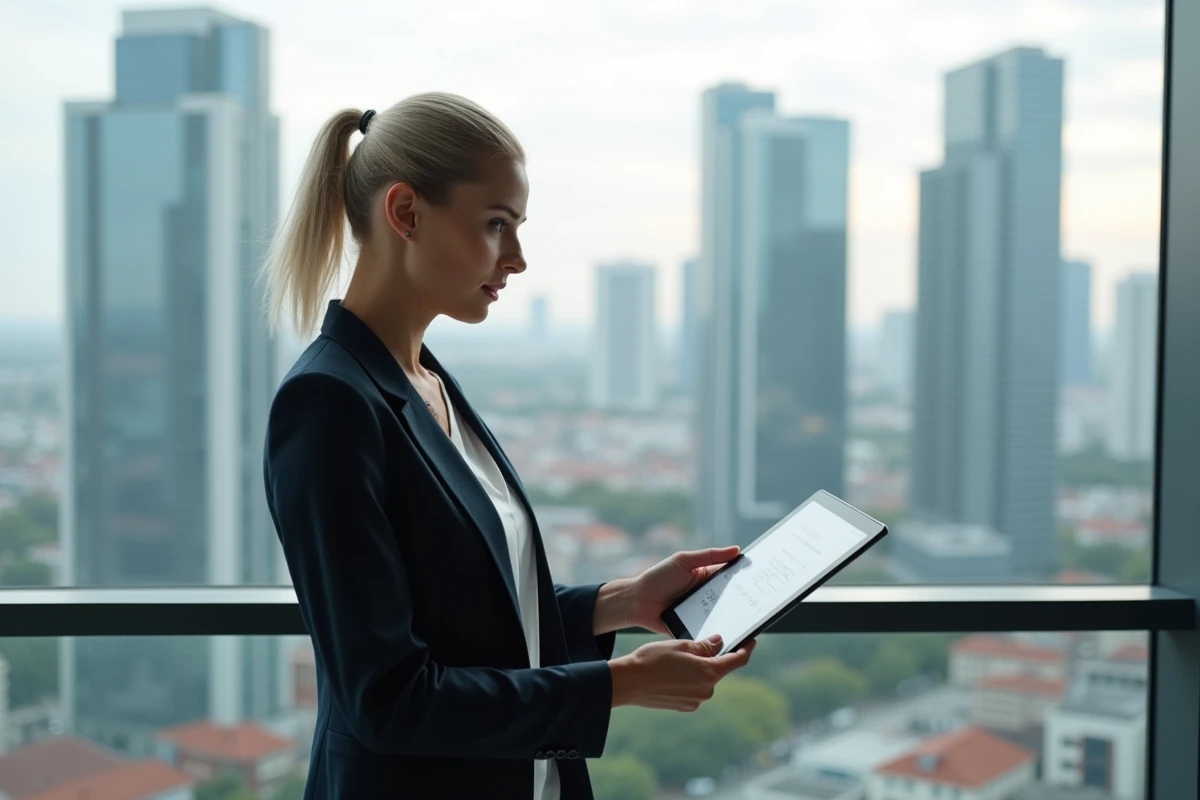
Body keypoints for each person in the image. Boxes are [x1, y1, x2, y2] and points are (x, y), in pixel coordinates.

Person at [261, 92, 757, 800]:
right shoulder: (329, 404)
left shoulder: (425, 381)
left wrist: (621, 601)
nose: (518, 259)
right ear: (405, 213)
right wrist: (620, 685)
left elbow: (470, 613)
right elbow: (387, 698)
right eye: (497, 225)